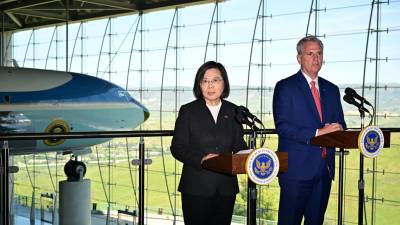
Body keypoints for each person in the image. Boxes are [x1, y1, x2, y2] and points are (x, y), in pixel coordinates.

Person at [272, 35, 346, 225]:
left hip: (324, 170)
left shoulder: (332, 89)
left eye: (319, 53)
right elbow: (282, 126)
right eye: (310, 53)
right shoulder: (285, 87)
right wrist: (317, 133)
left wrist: (338, 128)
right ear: (299, 58)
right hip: (296, 171)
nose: (316, 58)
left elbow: (341, 124)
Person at [170, 61, 247, 225]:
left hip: (226, 188)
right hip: (196, 187)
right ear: (199, 85)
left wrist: (249, 155)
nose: (210, 86)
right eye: (205, 81)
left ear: (223, 83)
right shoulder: (188, 111)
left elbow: (239, 145)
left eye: (215, 80)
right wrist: (202, 159)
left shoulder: (234, 111)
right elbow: (177, 147)